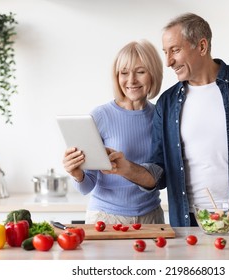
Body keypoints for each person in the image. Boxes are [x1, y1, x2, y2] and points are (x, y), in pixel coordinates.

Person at [105, 13, 229, 227]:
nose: (168, 62)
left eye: (175, 50)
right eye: (165, 52)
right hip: (190, 225)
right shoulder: (166, 103)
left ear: (202, 46)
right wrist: (126, 168)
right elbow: (159, 171)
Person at [62, 40, 165, 224]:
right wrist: (77, 174)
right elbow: (86, 186)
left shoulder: (160, 116)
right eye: (124, 73)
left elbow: (161, 176)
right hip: (106, 217)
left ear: (153, 74)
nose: (131, 80)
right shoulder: (100, 116)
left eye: (140, 72)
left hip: (151, 217)